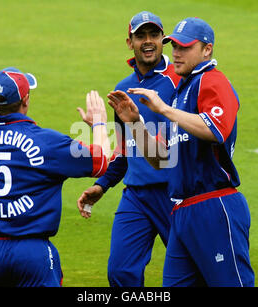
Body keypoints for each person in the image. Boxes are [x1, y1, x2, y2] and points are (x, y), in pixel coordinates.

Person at [107, 17, 255, 287]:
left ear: (207, 50)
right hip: (182, 209)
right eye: (174, 46)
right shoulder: (181, 91)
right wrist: (135, 124)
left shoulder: (212, 81)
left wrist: (163, 109)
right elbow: (162, 161)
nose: (176, 53)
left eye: (185, 47)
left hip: (214, 204)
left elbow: (215, 129)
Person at [0, 67, 110, 287]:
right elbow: (101, 161)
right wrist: (98, 123)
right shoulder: (47, 142)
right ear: (26, 100)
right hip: (32, 254)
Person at [76, 11, 181, 287]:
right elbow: (126, 148)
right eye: (141, 36)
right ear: (129, 42)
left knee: (190, 272)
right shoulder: (123, 89)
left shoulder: (179, 81)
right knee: (120, 272)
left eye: (154, 35)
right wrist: (103, 185)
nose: (148, 42)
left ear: (163, 40)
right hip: (136, 196)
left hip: (175, 194)